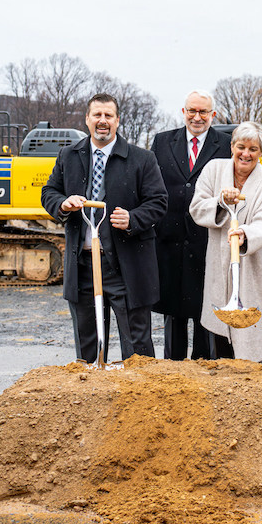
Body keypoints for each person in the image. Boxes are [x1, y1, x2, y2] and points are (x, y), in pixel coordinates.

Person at [42, 93, 168, 362]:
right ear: (87, 119)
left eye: (108, 116)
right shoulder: (69, 156)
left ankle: (138, 398)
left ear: (117, 121)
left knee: (136, 347)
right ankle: (91, 398)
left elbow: (159, 202)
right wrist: (63, 204)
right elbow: (49, 192)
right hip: (84, 265)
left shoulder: (142, 159)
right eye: (97, 115)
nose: (102, 121)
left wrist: (133, 219)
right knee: (87, 346)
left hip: (127, 266)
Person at [150, 90, 232, 360]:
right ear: (183, 112)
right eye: (192, 111)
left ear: (213, 115)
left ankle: (203, 364)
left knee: (204, 305)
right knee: (173, 309)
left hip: (207, 237)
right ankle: (172, 368)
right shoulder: (162, 142)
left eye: (204, 112)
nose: (198, 117)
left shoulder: (226, 144)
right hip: (170, 238)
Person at [190, 122, 262, 361]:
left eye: (253, 149)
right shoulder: (213, 170)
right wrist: (220, 202)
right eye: (241, 146)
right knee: (220, 325)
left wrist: (245, 234)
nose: (246, 154)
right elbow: (197, 207)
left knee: (250, 329)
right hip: (219, 260)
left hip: (252, 263)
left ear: (261, 152)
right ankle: (223, 380)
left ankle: (252, 377)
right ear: (232, 147)